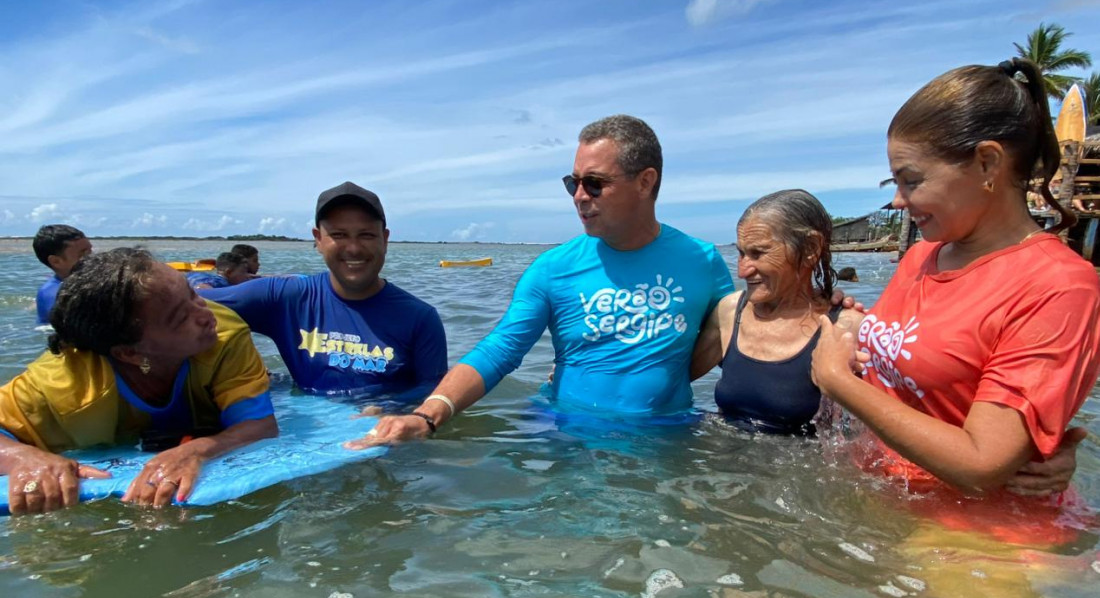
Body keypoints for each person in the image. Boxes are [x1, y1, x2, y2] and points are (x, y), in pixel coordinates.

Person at [811, 59, 1100, 498]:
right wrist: (853, 330)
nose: (897, 201)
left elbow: (981, 463)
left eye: (911, 180)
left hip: (973, 538)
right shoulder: (923, 255)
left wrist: (838, 382)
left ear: (987, 162)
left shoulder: (1059, 286)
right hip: (887, 501)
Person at [354, 114, 736, 445]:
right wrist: (427, 415)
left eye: (595, 183)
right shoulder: (554, 267)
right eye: (573, 183)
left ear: (645, 182)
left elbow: (741, 346)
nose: (579, 196)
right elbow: (500, 348)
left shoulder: (701, 260)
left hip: (666, 430)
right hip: (567, 431)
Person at [0, 248, 278, 515]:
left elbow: (259, 425)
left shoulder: (224, 334)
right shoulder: (64, 385)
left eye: (191, 293)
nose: (205, 314)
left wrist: (198, 451)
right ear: (130, 353)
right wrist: (24, 458)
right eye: (181, 317)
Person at [201, 182, 447, 397]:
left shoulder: (420, 318)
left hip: (378, 433)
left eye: (366, 235)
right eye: (339, 235)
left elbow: (432, 393)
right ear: (318, 239)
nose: (353, 248)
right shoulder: (286, 299)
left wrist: (389, 407)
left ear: (385, 239)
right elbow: (182, 301)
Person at [692, 190, 864, 435]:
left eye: (758, 253)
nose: (742, 271)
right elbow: (670, 379)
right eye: (741, 253)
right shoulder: (730, 312)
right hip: (719, 466)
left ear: (810, 249)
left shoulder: (845, 327)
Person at [32, 224, 92, 325]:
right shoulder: (56, 294)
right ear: (56, 261)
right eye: (83, 254)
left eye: (90, 251)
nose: (92, 258)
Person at [186, 252, 253, 290]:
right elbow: (201, 288)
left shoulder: (210, 276)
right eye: (244, 272)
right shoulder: (221, 283)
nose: (247, 275)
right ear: (229, 272)